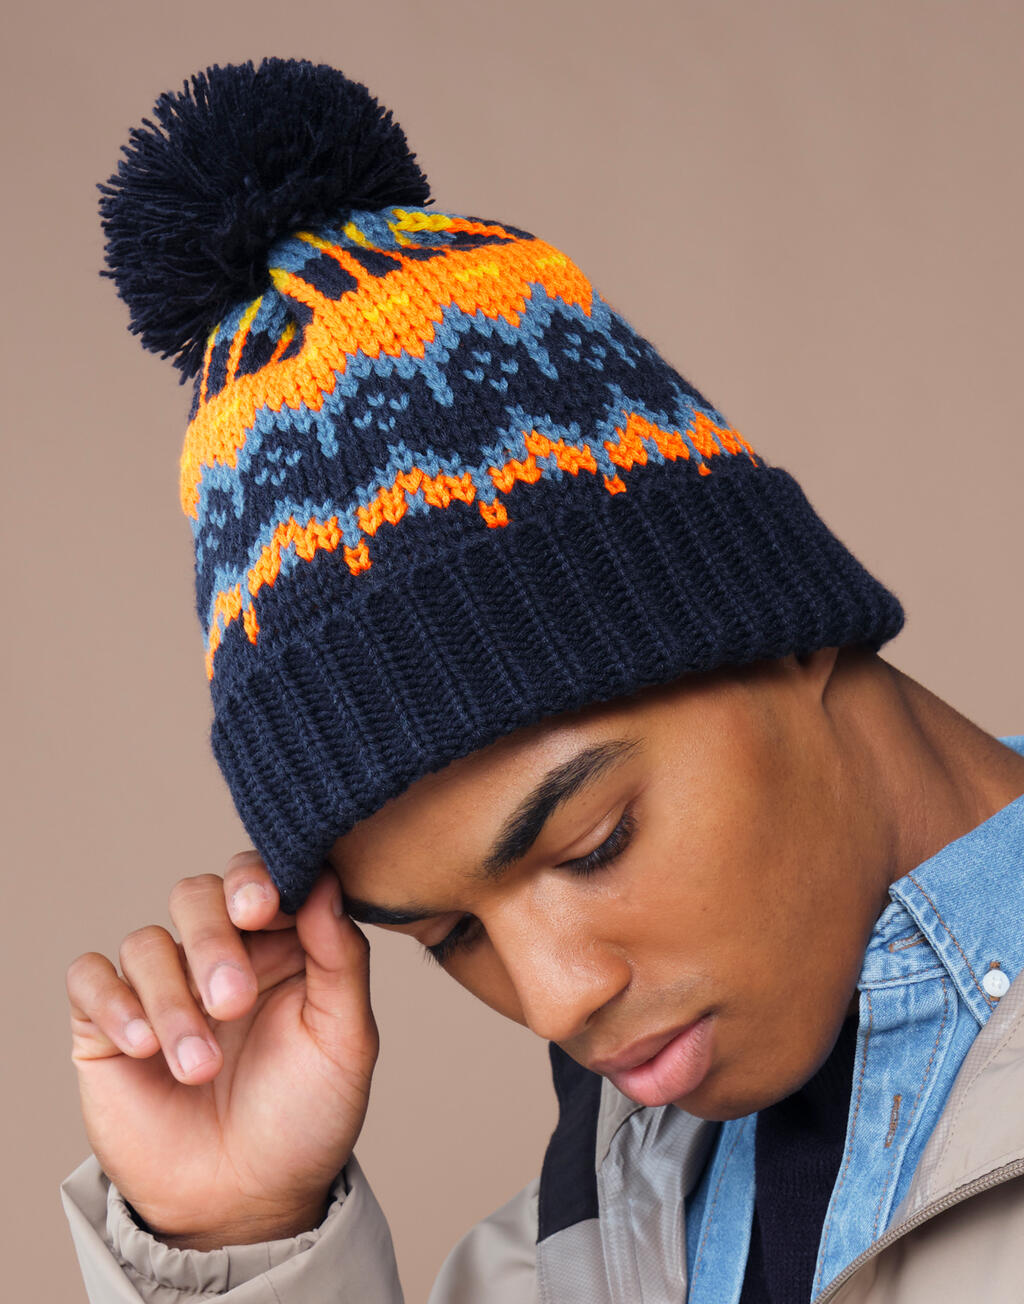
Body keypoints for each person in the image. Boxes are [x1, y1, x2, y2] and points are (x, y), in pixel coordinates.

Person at [61, 57, 1024, 1303]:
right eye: (453, 935)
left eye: (591, 842)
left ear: (785, 630)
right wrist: (235, 1232)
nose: (558, 997)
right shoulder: (584, 1228)